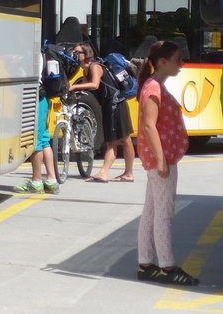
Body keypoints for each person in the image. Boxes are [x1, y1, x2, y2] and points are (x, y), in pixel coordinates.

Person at [135, 40, 198, 285]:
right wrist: (161, 160)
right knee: (163, 214)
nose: (181, 64)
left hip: (160, 157)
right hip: (162, 159)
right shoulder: (153, 89)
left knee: (151, 211)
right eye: (177, 59)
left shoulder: (154, 86)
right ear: (162, 62)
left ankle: (146, 263)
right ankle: (168, 267)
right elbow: (150, 125)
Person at [70, 43, 135, 183]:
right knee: (117, 140)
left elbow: (94, 85)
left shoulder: (95, 67)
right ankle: (124, 173)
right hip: (109, 106)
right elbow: (87, 85)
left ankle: (109, 173)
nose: (74, 54)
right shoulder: (86, 70)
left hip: (116, 105)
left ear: (85, 55)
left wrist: (74, 86)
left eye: (77, 52)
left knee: (122, 140)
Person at [14, 91, 59, 194]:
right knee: (44, 140)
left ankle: (36, 182)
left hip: (38, 99)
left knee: (36, 141)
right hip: (44, 99)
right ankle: (52, 181)